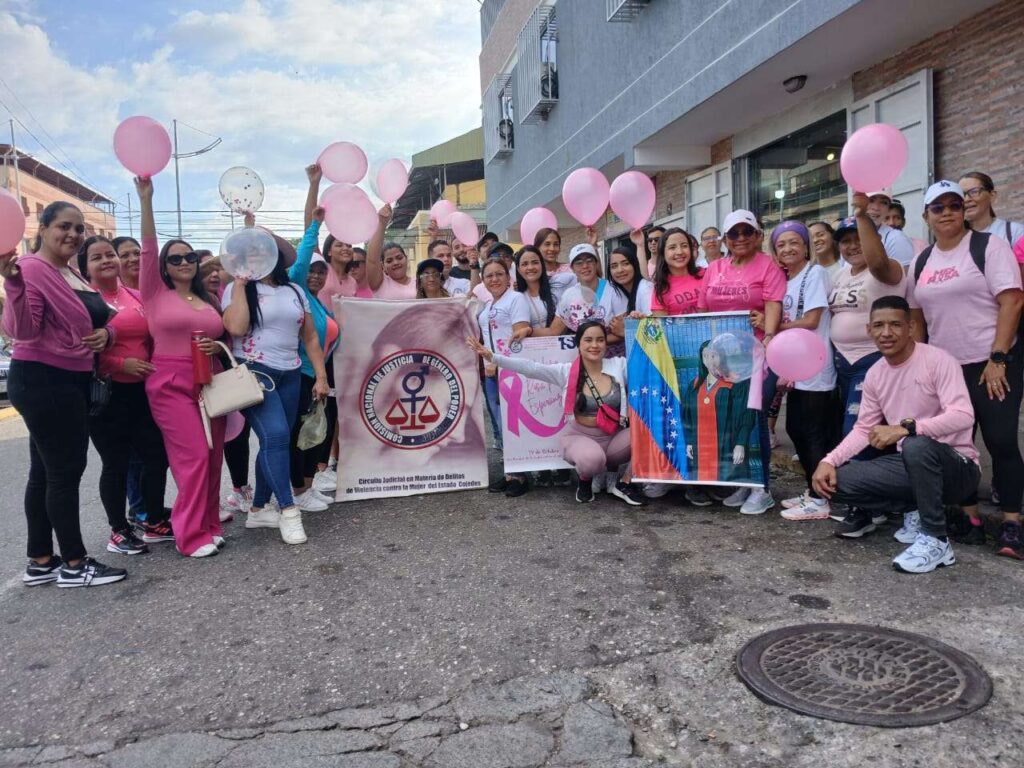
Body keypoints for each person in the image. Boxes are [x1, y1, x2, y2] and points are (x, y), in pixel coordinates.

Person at [2, 202, 127, 587]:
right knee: (64, 472)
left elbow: (102, 320)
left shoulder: (68, 270)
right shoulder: (33, 270)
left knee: (44, 472)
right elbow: (22, 329)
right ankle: (74, 563)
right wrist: (13, 283)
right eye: (63, 227)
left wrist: (108, 335)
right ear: (42, 227)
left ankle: (40, 559)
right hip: (46, 379)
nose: (73, 235)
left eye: (78, 228)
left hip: (64, 378)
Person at [812, 296, 979, 574]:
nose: (886, 333)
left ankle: (936, 540)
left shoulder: (938, 360)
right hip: (912, 466)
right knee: (837, 482)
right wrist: (829, 460)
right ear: (869, 330)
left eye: (895, 325)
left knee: (915, 445)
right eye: (878, 325)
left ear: (911, 327)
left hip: (958, 469)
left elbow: (964, 415)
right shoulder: (876, 373)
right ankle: (914, 507)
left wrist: (907, 428)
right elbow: (864, 428)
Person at [908, 180, 1024, 559]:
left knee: (1001, 441)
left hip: (991, 362)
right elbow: (917, 317)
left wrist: (998, 358)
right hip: (946, 369)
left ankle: (1011, 522)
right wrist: (920, 362)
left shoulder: (989, 246)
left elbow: (1012, 302)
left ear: (964, 210)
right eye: (937, 207)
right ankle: (970, 519)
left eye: (954, 205)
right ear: (926, 216)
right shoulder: (922, 261)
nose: (947, 213)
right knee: (955, 446)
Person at [136, 177, 226, 558]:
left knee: (214, 452)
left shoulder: (206, 299)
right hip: (170, 381)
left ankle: (209, 524)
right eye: (176, 258)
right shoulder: (156, 294)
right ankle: (189, 536)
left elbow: (227, 333)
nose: (185, 262)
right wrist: (146, 200)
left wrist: (215, 344)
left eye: (190, 257)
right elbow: (147, 250)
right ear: (165, 267)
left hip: (211, 379)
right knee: (194, 456)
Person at [222, 227, 329, 544]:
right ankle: (288, 510)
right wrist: (241, 285)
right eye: (251, 250)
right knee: (278, 436)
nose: (257, 254)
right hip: (255, 372)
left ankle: (257, 511)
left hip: (291, 374)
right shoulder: (235, 289)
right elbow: (237, 327)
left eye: (264, 249)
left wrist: (321, 377)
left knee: (276, 442)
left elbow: (309, 337)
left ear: (277, 256)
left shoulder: (294, 291)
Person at [469, 320, 644, 506]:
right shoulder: (566, 372)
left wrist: (642, 322)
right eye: (588, 340)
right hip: (581, 438)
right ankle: (585, 480)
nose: (594, 345)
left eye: (600, 340)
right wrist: (494, 357)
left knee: (647, 432)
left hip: (613, 437)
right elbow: (532, 368)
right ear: (579, 344)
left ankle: (619, 479)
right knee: (592, 460)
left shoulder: (620, 365)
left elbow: (646, 359)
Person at [77, 235, 170, 556]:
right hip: (106, 393)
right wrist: (120, 363)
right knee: (115, 464)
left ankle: (155, 521)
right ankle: (118, 531)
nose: (106, 261)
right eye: (96, 257)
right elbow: (81, 348)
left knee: (156, 456)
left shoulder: (134, 295)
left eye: (109, 255)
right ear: (85, 267)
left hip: (143, 391)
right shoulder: (84, 300)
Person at [699, 210, 786, 515]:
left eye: (746, 232)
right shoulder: (715, 268)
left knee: (754, 417)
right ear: (724, 240)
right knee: (733, 416)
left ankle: (762, 488)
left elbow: (773, 306)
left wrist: (770, 337)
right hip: (724, 357)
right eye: (733, 234)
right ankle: (743, 482)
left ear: (758, 235)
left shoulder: (769, 267)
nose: (740, 239)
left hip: (757, 354)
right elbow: (702, 309)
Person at [769, 221, 837, 521]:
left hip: (816, 367)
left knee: (812, 433)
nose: (788, 248)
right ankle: (812, 490)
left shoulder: (815, 273)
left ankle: (822, 498)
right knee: (797, 429)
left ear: (806, 245)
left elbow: (811, 320)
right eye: (781, 244)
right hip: (796, 369)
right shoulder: (787, 279)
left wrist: (772, 327)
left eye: (794, 242)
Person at [827, 209, 906, 449]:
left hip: (871, 360)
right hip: (841, 363)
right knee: (847, 427)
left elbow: (878, 261)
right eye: (846, 241)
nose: (853, 246)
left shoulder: (886, 268)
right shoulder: (839, 275)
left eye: (860, 238)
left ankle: (861, 481)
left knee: (857, 429)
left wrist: (862, 215)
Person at [288, 208, 341, 511]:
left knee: (314, 436)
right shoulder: (297, 292)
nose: (316, 275)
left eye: (322, 272)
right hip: (300, 377)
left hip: (318, 378)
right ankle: (298, 491)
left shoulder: (320, 305)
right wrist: (315, 225)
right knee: (299, 438)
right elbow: (305, 256)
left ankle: (307, 487)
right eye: (312, 270)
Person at [477, 256, 533, 497]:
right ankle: (511, 470)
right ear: (483, 281)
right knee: (501, 424)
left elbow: (520, 336)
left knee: (513, 423)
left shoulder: (516, 299)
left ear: (508, 277)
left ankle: (521, 476)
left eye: (499, 274)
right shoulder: (488, 305)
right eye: (489, 275)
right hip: (490, 371)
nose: (494, 279)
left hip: (508, 369)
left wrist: (498, 363)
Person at [556, 244, 628, 356]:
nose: (585, 266)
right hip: (584, 355)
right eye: (579, 263)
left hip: (613, 355)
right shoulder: (568, 295)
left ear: (596, 264)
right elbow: (556, 328)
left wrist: (593, 341)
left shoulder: (613, 290)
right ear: (572, 268)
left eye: (589, 261)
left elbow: (623, 330)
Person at [959, 172, 1024, 247]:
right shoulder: (955, 238)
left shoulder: (1015, 232)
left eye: (974, 192)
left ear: (992, 196)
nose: (966, 199)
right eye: (961, 194)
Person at [649, 228, 703, 317]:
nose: (679, 252)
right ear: (663, 253)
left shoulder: (705, 274)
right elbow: (662, 327)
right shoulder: (661, 288)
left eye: (684, 246)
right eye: (672, 247)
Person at [865, 189, 915, 268]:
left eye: (884, 202)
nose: (876, 208)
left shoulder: (896, 238)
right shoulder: (849, 236)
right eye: (871, 200)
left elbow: (906, 278)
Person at [534, 228, 578, 303]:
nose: (552, 248)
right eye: (547, 244)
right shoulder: (533, 274)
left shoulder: (570, 269)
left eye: (556, 244)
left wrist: (593, 246)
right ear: (537, 248)